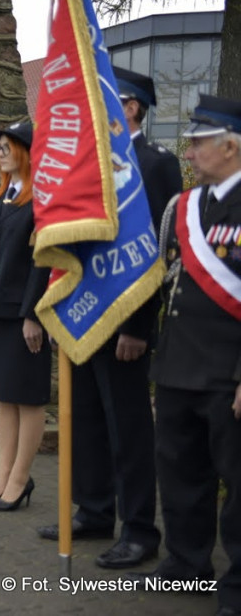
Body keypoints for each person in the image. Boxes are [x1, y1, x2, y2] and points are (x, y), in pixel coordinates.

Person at [36, 68, 181, 568]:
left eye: (112, 99)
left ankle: (140, 528)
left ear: (133, 107)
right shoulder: (90, 163)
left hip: (124, 322)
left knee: (129, 427)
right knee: (87, 421)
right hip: (84, 314)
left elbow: (157, 252)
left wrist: (138, 326)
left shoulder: (155, 164)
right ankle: (95, 509)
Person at [127, 95, 241, 611]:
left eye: (198, 143)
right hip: (178, 369)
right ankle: (186, 565)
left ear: (231, 146)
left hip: (227, 373)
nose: (189, 154)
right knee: (181, 475)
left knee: (237, 484)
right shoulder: (186, 207)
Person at [0, 121, 51, 512]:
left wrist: (33, 314)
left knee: (28, 398)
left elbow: (43, 262)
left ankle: (21, 478)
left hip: (24, 314)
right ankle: (3, 476)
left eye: (5, 146)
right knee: (3, 396)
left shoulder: (42, 201)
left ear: (26, 152)